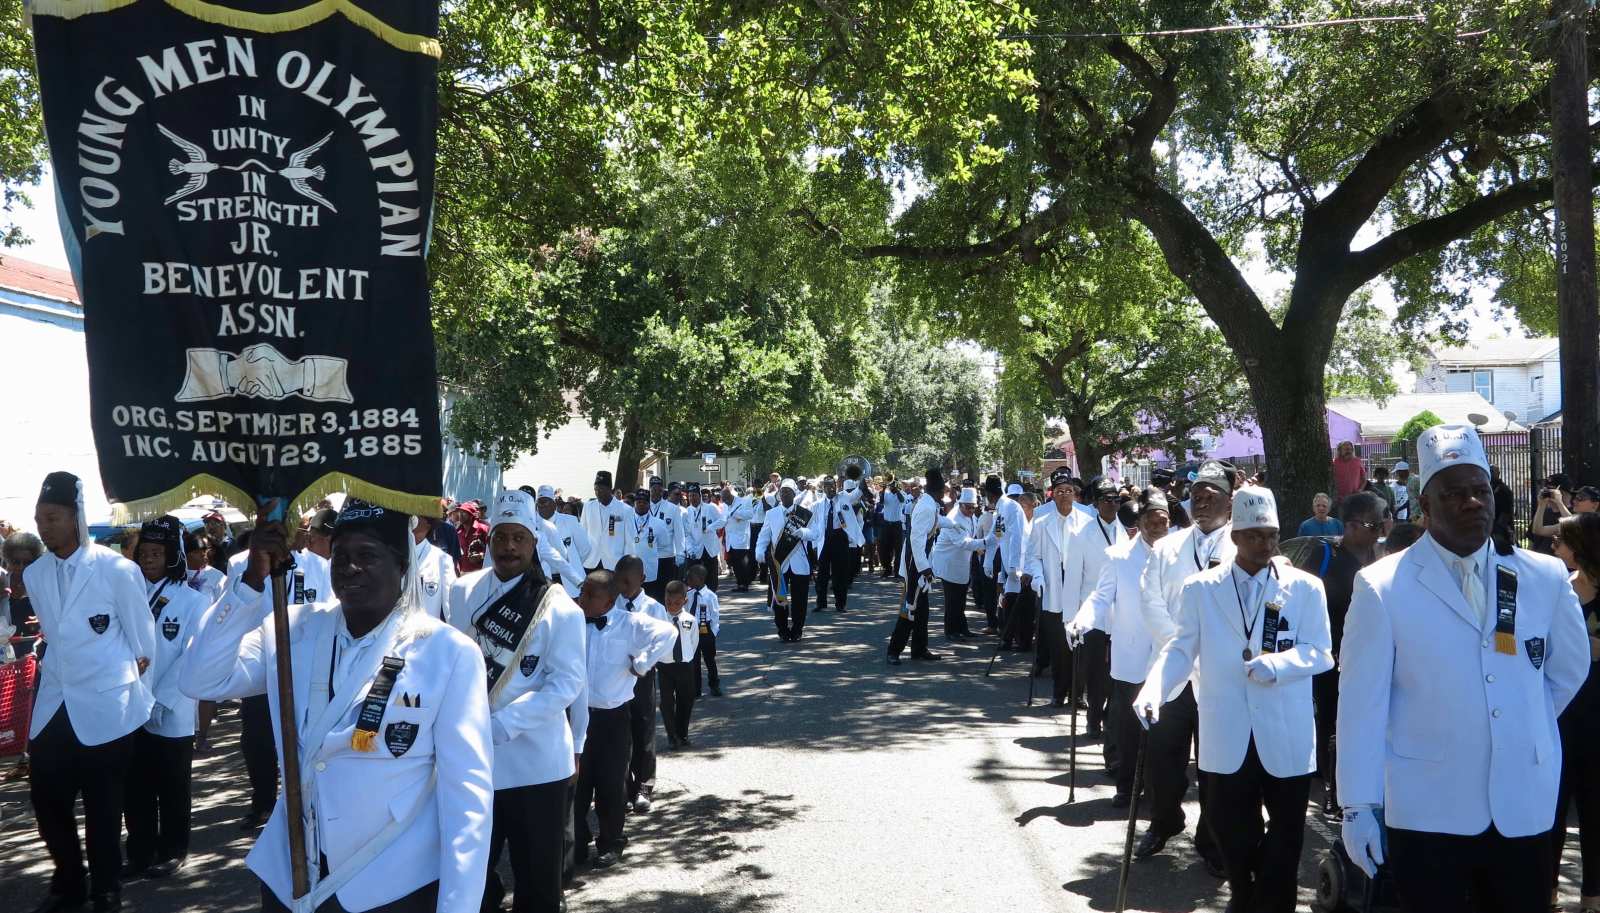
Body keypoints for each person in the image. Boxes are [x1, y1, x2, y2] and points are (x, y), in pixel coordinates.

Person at [181, 497, 494, 913]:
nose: (349, 567)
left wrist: (458, 906)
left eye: (368, 555)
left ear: (403, 566)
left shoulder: (445, 652)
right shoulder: (291, 627)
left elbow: (466, 797)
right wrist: (248, 585)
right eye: (341, 555)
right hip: (291, 873)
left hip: (390, 881)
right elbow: (201, 679)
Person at [1339, 424, 1588, 913]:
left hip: (1523, 801)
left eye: (1480, 490)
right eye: (1455, 494)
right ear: (1426, 507)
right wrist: (1357, 805)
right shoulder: (1381, 586)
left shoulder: (1543, 576)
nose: (1473, 502)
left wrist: (1520, 721)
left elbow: (1567, 671)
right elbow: (1361, 704)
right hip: (1428, 808)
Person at [1134, 486, 1332, 913]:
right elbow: (1181, 649)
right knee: (1231, 833)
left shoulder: (1305, 588)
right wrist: (1154, 690)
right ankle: (1244, 894)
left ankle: (1271, 904)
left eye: (1271, 535)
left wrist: (1279, 665)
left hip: (1286, 731)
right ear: (1236, 537)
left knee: (1287, 834)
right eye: (1255, 536)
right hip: (1226, 731)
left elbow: (1321, 652)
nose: (1264, 544)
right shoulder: (1201, 588)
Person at [449, 490, 585, 913]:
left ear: (533, 544)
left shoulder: (560, 609)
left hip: (536, 767)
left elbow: (566, 685)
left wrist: (502, 724)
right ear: (490, 541)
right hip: (471, 762)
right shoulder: (460, 593)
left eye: (518, 538)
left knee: (539, 883)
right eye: (501, 537)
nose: (508, 547)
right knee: (468, 876)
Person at [26, 471, 155, 913]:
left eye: (54, 517)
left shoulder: (117, 568)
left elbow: (144, 642)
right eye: (40, 518)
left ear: (77, 517)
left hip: (108, 703)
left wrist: (135, 693)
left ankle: (105, 886)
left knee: (104, 805)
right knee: (45, 796)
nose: (45, 526)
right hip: (56, 700)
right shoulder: (36, 573)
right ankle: (69, 878)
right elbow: (52, 634)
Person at [1134, 459, 1235, 872]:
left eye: (1211, 496)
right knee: (1163, 755)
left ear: (1230, 502)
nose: (1202, 503)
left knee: (1214, 762)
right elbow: (1149, 599)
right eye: (1196, 496)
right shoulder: (1167, 548)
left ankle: (1212, 840)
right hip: (1174, 671)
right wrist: (1181, 646)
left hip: (1219, 676)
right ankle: (1165, 820)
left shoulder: (1240, 548)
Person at [1285, 491, 1386, 817]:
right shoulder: (1326, 556)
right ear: (1355, 526)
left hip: (1370, 660)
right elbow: (1302, 605)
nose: (1382, 529)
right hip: (1331, 661)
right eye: (1377, 524)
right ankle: (1335, 792)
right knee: (1333, 725)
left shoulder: (1381, 561)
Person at [1068, 486, 1169, 806]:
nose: (1157, 528)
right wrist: (1082, 620)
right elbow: (1101, 597)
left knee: (1164, 731)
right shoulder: (1118, 556)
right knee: (1127, 729)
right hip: (1129, 657)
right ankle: (1126, 786)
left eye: (1163, 522)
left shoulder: (1179, 554)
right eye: (1151, 521)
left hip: (1168, 659)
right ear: (1138, 522)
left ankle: (1158, 790)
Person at [122, 516, 206, 881]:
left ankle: (174, 849)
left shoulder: (194, 601)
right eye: (144, 552)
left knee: (173, 785)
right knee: (135, 785)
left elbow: (192, 656)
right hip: (131, 706)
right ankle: (140, 851)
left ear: (173, 556)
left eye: (157, 552)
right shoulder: (127, 594)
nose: (149, 559)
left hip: (172, 710)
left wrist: (163, 699)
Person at [571, 569, 674, 869]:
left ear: (611, 600)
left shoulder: (630, 624)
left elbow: (668, 633)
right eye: (583, 592)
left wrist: (642, 662)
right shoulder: (573, 622)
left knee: (611, 785)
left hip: (613, 717)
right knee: (576, 783)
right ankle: (576, 842)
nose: (582, 599)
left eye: (591, 594)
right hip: (576, 714)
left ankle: (611, 842)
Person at [1551, 512, 1600, 913]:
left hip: (1598, 721)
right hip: (1561, 718)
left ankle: (1593, 897)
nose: (1553, 545)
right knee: (1550, 811)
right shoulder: (1561, 591)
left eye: (1561, 540)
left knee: (1595, 812)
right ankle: (1544, 891)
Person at [1021, 470, 1091, 706]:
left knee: (1079, 643)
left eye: (1068, 491)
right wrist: (1038, 578)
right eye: (1059, 492)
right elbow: (1033, 557)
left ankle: (1078, 694)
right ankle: (1059, 693)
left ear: (1075, 494)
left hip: (1079, 588)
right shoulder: (1042, 523)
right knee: (1059, 647)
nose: (1064, 496)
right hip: (1052, 588)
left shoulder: (1087, 520)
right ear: (1052, 495)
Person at [1076, 478, 1126, 739]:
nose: (1113, 504)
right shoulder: (1082, 534)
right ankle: (1094, 717)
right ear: (1096, 503)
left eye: (1117, 499)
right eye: (1107, 499)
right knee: (1095, 671)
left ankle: (1111, 718)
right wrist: (1071, 618)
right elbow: (1073, 578)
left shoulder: (1127, 531)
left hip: (1121, 615)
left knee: (1115, 672)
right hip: (1093, 614)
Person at [887, 470, 948, 665]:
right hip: (915, 563)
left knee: (922, 610)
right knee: (910, 607)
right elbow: (915, 539)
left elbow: (938, 522)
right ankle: (893, 651)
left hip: (920, 560)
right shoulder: (926, 507)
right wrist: (924, 568)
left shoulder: (931, 504)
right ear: (937, 491)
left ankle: (919, 649)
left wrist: (957, 525)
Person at [756, 480, 822, 642]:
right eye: (782, 492)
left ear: (794, 495)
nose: (785, 494)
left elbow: (816, 533)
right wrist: (759, 552)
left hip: (800, 564)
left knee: (800, 600)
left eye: (788, 492)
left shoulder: (804, 514)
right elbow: (764, 536)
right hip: (780, 564)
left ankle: (798, 629)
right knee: (780, 599)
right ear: (779, 495)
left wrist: (804, 532)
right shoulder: (771, 514)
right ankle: (783, 630)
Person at [933, 486, 993, 642]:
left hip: (961, 561)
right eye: (968, 507)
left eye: (974, 508)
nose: (972, 510)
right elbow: (963, 542)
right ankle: (950, 630)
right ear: (960, 504)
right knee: (952, 599)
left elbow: (971, 537)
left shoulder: (970, 516)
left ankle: (962, 628)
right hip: (949, 561)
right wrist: (986, 542)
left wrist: (980, 545)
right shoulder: (953, 518)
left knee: (961, 597)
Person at [656, 580, 700, 749]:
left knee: (686, 699)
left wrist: (687, 657)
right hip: (665, 665)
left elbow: (693, 641)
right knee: (667, 702)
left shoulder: (690, 620)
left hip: (684, 665)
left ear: (685, 601)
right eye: (668, 602)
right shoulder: (659, 619)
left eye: (677, 602)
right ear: (664, 599)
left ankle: (683, 733)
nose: (672, 606)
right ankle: (671, 735)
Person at [815, 472, 866, 614]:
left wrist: (862, 480)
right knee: (822, 573)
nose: (830, 489)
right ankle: (821, 603)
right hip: (825, 539)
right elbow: (815, 523)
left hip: (840, 538)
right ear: (823, 488)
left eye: (832, 486)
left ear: (836, 486)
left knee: (840, 573)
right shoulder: (819, 503)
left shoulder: (844, 497)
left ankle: (840, 603)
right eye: (827, 486)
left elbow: (857, 493)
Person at [534, 485, 592, 598]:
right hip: (546, 580)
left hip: (570, 581)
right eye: (539, 503)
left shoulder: (570, 521)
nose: (541, 506)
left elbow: (585, 549)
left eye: (545, 502)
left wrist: (572, 562)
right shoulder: (533, 525)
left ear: (554, 505)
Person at [683, 563, 722, 697]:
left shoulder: (710, 596)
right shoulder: (688, 595)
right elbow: (686, 612)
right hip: (692, 632)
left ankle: (714, 685)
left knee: (710, 660)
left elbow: (715, 615)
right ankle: (696, 689)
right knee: (694, 662)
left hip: (706, 631)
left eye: (691, 578)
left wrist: (713, 632)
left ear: (700, 579)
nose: (688, 581)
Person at [580, 471, 632, 572]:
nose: (598, 492)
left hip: (614, 563)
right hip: (591, 562)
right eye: (596, 489)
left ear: (610, 489)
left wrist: (626, 565)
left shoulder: (626, 510)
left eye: (601, 489)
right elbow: (583, 534)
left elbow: (629, 541)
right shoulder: (588, 506)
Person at [411, 511, 456, 621]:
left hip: (426, 634)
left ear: (428, 523)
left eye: (416, 515)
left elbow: (450, 606)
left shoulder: (442, 560)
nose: (411, 519)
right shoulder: (391, 554)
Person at [682, 483, 726, 593]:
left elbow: (722, 521)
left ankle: (711, 594)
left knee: (711, 575)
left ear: (700, 496)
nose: (692, 498)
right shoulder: (687, 512)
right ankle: (695, 596)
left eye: (695, 495)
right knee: (693, 576)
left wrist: (710, 527)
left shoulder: (710, 507)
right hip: (695, 548)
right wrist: (689, 548)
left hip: (709, 547)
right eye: (690, 496)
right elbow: (686, 533)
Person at [721, 485, 759, 592]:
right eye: (723, 500)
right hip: (730, 538)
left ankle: (744, 584)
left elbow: (750, 515)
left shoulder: (744, 501)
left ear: (730, 496)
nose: (724, 502)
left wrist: (736, 514)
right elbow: (723, 518)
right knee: (734, 562)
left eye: (725, 499)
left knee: (742, 562)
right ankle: (739, 583)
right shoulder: (725, 505)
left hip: (741, 537)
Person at [183, 533, 225, 603]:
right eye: (196, 551)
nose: (203, 554)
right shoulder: (178, 576)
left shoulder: (217, 576)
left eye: (204, 550)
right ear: (185, 555)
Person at [879, 480, 907, 579]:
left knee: (898, 549)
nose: (891, 487)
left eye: (893, 485)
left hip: (897, 525)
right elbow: (881, 501)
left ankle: (897, 572)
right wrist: (883, 489)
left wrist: (897, 491)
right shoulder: (886, 494)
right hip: (886, 524)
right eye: (890, 485)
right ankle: (887, 570)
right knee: (885, 548)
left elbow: (902, 500)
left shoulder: (901, 494)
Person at [1331, 440, 1365, 512]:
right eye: (1346, 449)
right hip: (1340, 500)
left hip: (1355, 498)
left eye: (1350, 449)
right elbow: (1331, 480)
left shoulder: (1358, 461)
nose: (1348, 451)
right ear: (1340, 450)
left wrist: (1360, 490)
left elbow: (1364, 479)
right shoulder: (1334, 463)